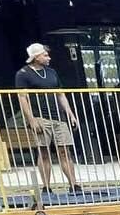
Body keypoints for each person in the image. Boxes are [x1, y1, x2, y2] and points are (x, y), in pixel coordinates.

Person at [14, 43, 80, 195]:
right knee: (43, 151)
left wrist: (69, 113)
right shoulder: (23, 74)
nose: (48, 57)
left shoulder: (52, 72)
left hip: (58, 117)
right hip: (40, 117)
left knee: (65, 150)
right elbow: (22, 98)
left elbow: (60, 94)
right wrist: (31, 120)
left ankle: (74, 184)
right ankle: (46, 186)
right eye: (45, 55)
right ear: (36, 57)